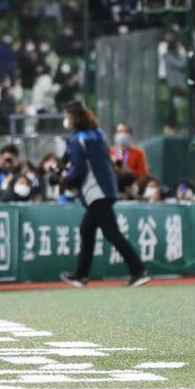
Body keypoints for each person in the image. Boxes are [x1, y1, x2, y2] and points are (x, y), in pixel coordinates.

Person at [59, 100, 151, 288]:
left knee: (111, 233)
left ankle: (138, 271)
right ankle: (81, 274)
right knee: (87, 229)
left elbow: (79, 169)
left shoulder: (78, 139)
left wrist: (66, 179)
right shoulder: (97, 133)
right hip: (106, 188)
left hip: (96, 191)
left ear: (73, 118)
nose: (65, 120)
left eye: (67, 116)